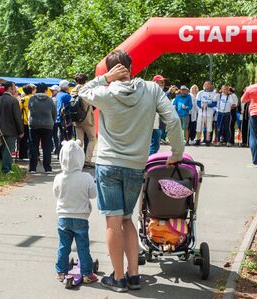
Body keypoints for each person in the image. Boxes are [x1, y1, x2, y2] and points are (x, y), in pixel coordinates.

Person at [79, 50, 184, 292]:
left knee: (112, 222)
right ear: (131, 66)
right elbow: (174, 120)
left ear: (111, 70)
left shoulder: (104, 93)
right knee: (127, 220)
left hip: (108, 165)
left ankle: (117, 278)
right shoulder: (152, 89)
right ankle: (134, 275)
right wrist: (177, 153)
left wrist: (105, 79)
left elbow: (81, 92)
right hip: (136, 165)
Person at [53, 140, 98, 284]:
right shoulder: (86, 177)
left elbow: (56, 194)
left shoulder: (59, 178)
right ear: (80, 158)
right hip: (81, 218)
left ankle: (61, 271)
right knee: (82, 247)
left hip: (63, 218)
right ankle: (87, 273)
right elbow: (93, 194)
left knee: (63, 246)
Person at [0, 81, 24, 174]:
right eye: (14, 87)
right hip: (11, 129)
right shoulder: (14, 100)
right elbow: (17, 117)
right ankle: (6, 169)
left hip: (0, 129)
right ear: (10, 88)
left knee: (4, 149)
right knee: (8, 150)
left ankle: (6, 167)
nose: (15, 89)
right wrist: (21, 130)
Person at [28, 83, 57, 174]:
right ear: (45, 90)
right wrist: (51, 121)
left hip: (34, 125)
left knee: (34, 147)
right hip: (48, 126)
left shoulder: (32, 99)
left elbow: (30, 109)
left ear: (37, 90)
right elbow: (54, 113)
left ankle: (33, 168)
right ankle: (47, 167)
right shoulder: (50, 100)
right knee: (47, 147)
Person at [71, 73, 96, 168]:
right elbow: (92, 102)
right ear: (86, 81)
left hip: (76, 118)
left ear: (75, 81)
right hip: (87, 118)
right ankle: (87, 160)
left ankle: (77, 160)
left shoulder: (73, 91)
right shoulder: (86, 90)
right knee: (92, 138)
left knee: (79, 140)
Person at [149, 75, 176, 154]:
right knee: (154, 146)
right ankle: (148, 163)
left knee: (153, 145)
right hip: (152, 122)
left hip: (155, 122)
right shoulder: (153, 91)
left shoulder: (155, 91)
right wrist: (168, 92)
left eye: (163, 82)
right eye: (161, 82)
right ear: (155, 82)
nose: (163, 83)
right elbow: (161, 100)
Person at [195, 80, 217, 146]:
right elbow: (198, 102)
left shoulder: (214, 93)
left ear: (211, 85)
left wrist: (208, 105)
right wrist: (201, 106)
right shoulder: (200, 93)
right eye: (206, 84)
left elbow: (214, 103)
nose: (207, 85)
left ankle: (207, 140)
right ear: (204, 85)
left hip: (210, 113)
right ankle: (198, 140)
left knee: (209, 127)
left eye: (208, 84)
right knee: (199, 126)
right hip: (201, 113)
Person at [56, 80, 72, 154]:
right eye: (68, 85)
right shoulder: (66, 95)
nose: (69, 87)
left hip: (58, 118)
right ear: (65, 87)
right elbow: (71, 105)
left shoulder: (58, 94)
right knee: (67, 137)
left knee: (61, 136)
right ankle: (66, 153)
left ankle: (59, 152)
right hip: (65, 119)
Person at [19, 84, 35, 160]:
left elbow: (19, 110)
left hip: (24, 121)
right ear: (31, 90)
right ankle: (33, 155)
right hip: (34, 121)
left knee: (23, 139)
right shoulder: (35, 98)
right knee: (33, 139)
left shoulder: (23, 99)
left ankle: (22, 155)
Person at [49, 85, 60, 154]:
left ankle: (56, 149)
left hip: (56, 120)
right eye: (51, 90)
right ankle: (53, 149)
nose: (51, 91)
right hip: (51, 119)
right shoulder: (50, 98)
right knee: (52, 135)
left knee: (55, 135)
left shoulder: (57, 98)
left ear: (57, 91)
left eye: (53, 90)